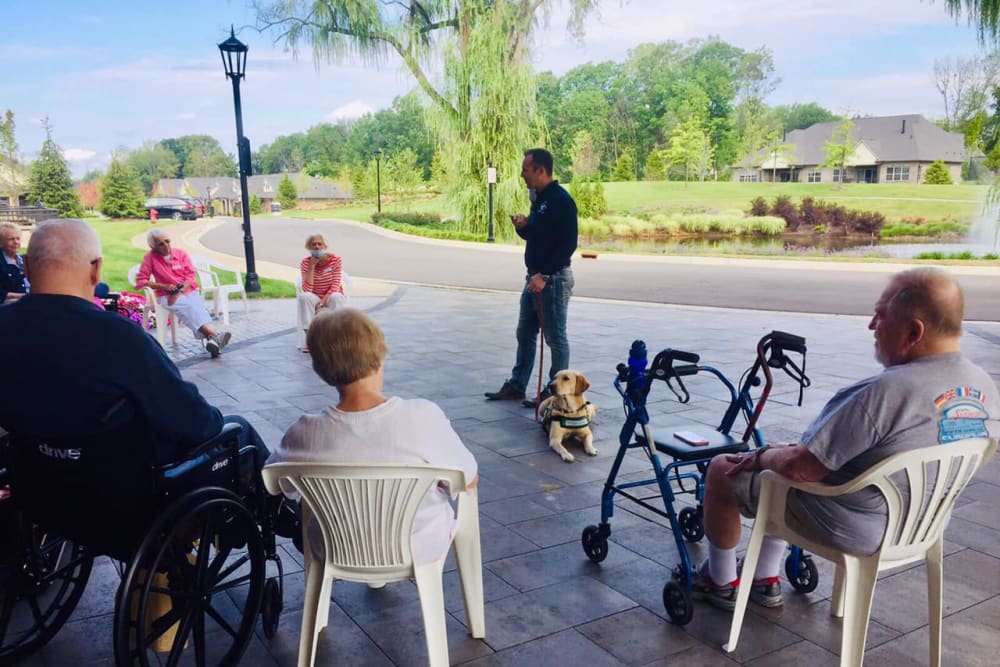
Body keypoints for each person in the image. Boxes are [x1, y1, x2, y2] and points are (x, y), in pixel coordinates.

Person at [692, 268, 1000, 610]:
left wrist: (762, 456)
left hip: (857, 526)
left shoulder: (886, 393)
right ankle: (765, 577)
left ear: (914, 331)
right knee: (786, 460)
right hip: (921, 525)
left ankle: (719, 581)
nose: (872, 326)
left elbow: (801, 469)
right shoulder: (982, 384)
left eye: (880, 316)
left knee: (725, 469)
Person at [0, 219, 294, 554]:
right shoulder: (116, 336)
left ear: (25, 265)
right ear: (95, 270)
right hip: (126, 500)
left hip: (40, 490)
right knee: (238, 433)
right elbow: (194, 421)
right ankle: (279, 517)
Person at [268, 308, 478, 565]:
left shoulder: (304, 432)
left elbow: (276, 483)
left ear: (321, 370)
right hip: (416, 549)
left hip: (335, 548)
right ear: (379, 358)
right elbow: (468, 479)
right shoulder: (423, 416)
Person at [485, 148, 578, 408]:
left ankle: (555, 393)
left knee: (555, 338)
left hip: (553, 279)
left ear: (540, 170)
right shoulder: (539, 199)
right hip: (534, 278)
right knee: (524, 332)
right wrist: (525, 227)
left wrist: (546, 275)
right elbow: (538, 236)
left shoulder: (560, 200)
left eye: (526, 169)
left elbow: (568, 244)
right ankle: (517, 385)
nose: (522, 174)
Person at [135, 227, 231, 357]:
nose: (166, 246)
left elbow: (190, 276)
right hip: (165, 295)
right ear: (153, 247)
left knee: (197, 309)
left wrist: (179, 292)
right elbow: (141, 280)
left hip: (186, 290)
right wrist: (163, 286)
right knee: (188, 307)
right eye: (160, 244)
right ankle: (214, 336)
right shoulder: (150, 258)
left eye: (167, 241)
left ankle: (212, 342)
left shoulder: (181, 254)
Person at [297, 233, 346, 353]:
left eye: (320, 244)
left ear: (325, 246)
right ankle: (310, 339)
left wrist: (323, 301)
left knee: (337, 297)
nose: (317, 247)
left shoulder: (335, 260)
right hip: (315, 296)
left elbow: (335, 285)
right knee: (304, 297)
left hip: (330, 296)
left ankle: (335, 339)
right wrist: (312, 267)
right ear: (309, 247)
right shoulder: (305, 263)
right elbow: (307, 289)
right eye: (313, 244)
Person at [0, 221, 28, 303]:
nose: (16, 242)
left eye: (18, 238)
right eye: (11, 239)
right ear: (1, 242)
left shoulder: (23, 260)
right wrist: (24, 296)